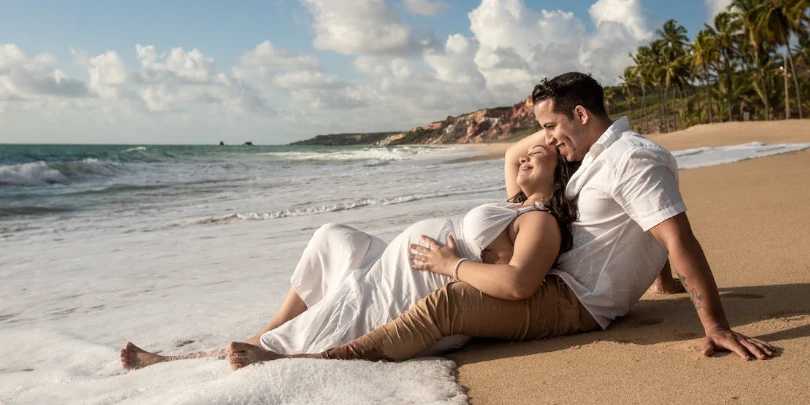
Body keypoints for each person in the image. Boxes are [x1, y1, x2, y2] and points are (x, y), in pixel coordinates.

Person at [225, 72, 774, 370]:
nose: (548, 139)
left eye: (554, 126)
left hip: (572, 299)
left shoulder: (631, 159)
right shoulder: (598, 158)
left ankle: (320, 361)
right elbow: (638, 226)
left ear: (582, 114)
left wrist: (715, 325)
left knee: (445, 302)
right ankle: (288, 339)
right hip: (563, 278)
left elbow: (676, 234)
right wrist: (660, 278)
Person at [120, 142, 580, 370]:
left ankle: (193, 362)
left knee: (341, 306)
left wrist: (449, 264)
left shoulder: (540, 220)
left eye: (540, 157)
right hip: (407, 268)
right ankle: (267, 334)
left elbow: (518, 283)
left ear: (558, 174)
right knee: (333, 237)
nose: (524, 159)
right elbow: (514, 152)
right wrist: (548, 137)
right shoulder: (515, 201)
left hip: (423, 287)